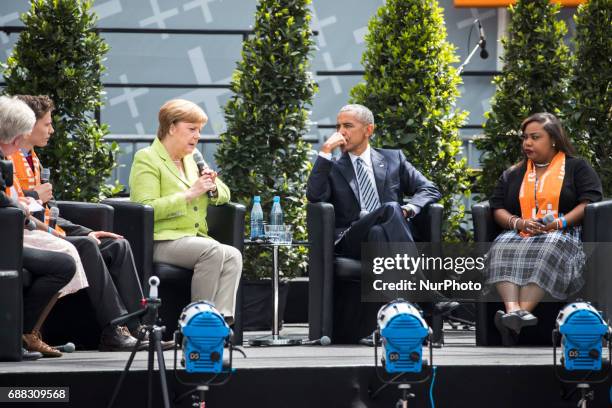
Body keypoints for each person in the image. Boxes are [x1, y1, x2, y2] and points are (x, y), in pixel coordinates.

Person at [306, 104, 458, 342]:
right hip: (351, 237)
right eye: (338, 126)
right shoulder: (333, 167)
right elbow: (314, 196)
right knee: (390, 208)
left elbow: (429, 188)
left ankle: (385, 329)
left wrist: (411, 208)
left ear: (368, 130)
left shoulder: (393, 158)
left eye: (348, 126)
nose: (341, 131)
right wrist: (325, 152)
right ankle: (424, 295)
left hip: (386, 237)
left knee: (380, 230)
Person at [10, 95, 146, 352]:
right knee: (85, 245)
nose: (52, 130)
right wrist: (34, 197)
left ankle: (137, 327)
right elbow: (20, 207)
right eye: (47, 124)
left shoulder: (33, 158)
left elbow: (47, 212)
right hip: (28, 235)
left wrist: (87, 230)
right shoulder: (10, 156)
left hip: (45, 230)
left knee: (117, 244)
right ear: (28, 125)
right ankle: (113, 330)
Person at [485, 112, 603, 345]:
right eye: (525, 138)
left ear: (553, 139)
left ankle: (515, 317)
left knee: (550, 245)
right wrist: (518, 222)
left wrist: (559, 222)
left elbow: (589, 202)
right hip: (521, 232)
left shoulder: (576, 167)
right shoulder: (514, 173)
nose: (527, 143)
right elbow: (496, 207)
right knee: (501, 244)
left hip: (563, 233)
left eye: (535, 137)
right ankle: (514, 313)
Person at [129, 99, 242, 323]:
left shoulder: (191, 159)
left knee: (233, 255)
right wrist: (189, 194)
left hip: (191, 239)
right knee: (213, 250)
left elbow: (225, 194)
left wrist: (213, 186)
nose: (197, 135)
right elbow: (145, 208)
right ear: (171, 127)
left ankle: (221, 321)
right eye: (191, 129)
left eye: (199, 130)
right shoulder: (147, 158)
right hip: (161, 240)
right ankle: (197, 321)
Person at [0, 95, 76, 359]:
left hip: (12, 234)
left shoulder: (7, 158)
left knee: (65, 260)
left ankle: (21, 334)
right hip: (8, 238)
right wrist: (22, 204)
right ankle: (19, 334)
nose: (22, 143)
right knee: (64, 262)